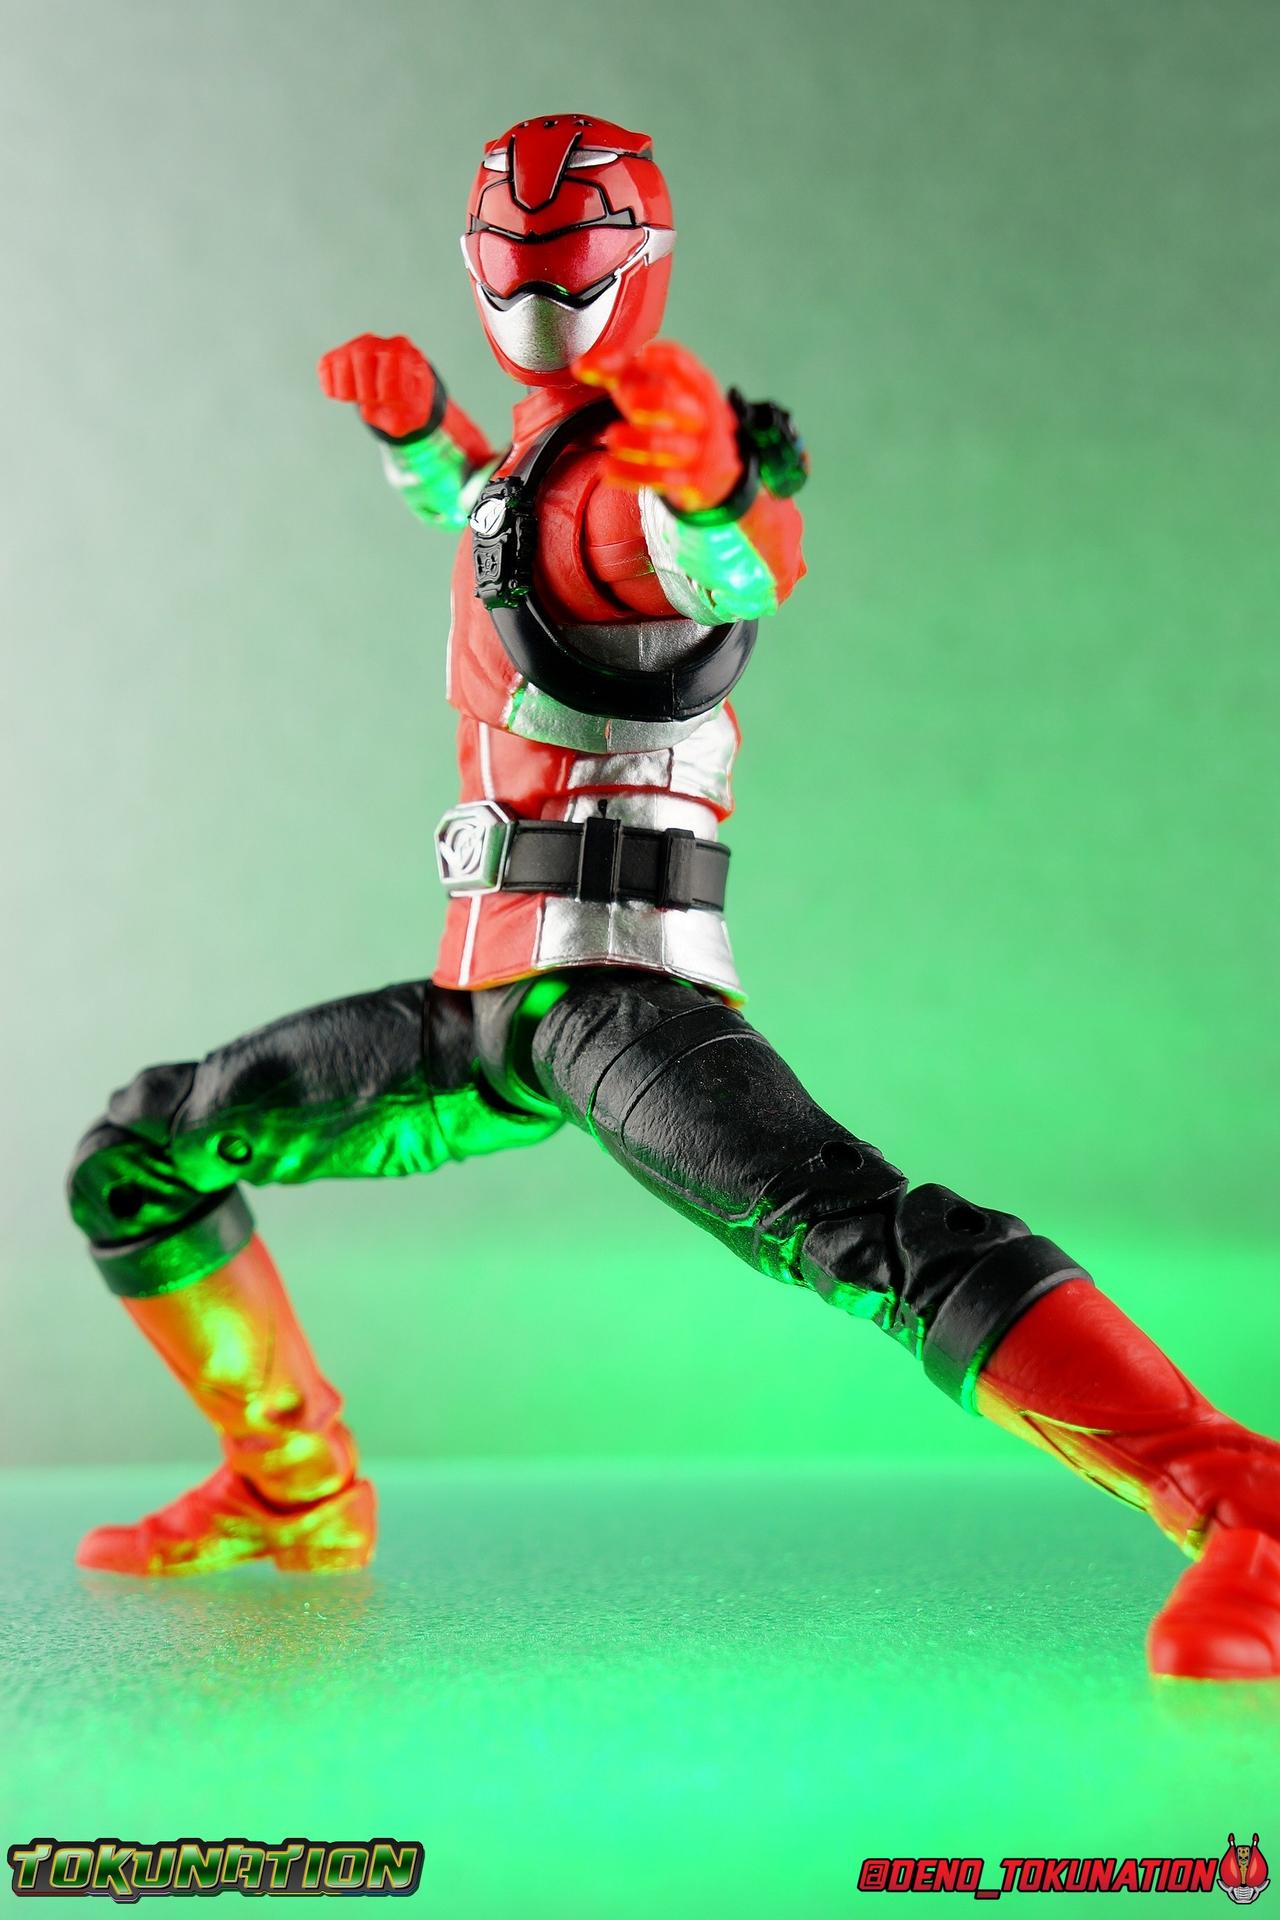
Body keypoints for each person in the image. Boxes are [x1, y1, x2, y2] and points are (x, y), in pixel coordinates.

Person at [68, 114, 1279, 1680]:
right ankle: (294, 1483)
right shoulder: (534, 469)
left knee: (863, 1233)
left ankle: (1240, 1497)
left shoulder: (630, 478)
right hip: (484, 1005)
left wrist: (713, 488)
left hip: (615, 999)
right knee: (142, 1152)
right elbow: (485, 518)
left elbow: (727, 563)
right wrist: (420, 434)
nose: (532, 290)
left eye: (562, 263)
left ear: (633, 267)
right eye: (507, 260)